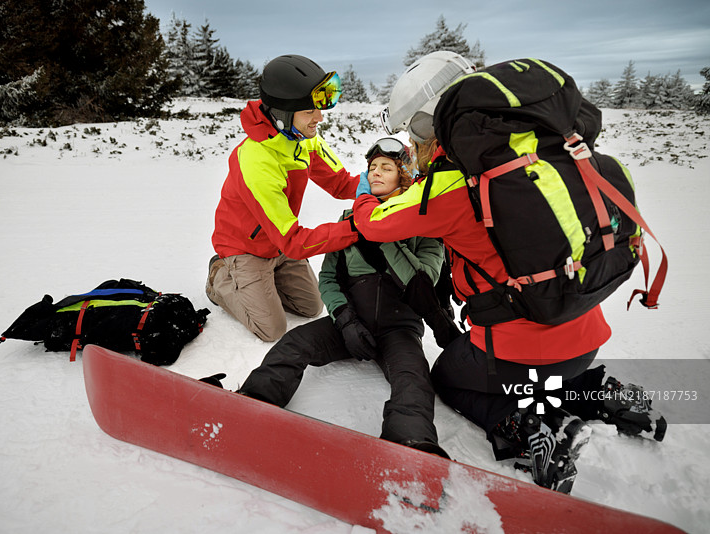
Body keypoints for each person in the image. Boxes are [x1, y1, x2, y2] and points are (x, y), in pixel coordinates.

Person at [351, 51, 666, 493]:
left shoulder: (454, 185)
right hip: (585, 330)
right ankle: (598, 390)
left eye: (412, 134)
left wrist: (364, 193)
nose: (411, 147)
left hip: (518, 351)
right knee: (545, 363)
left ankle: (539, 425)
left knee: (448, 378)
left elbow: (373, 224)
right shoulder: (545, 156)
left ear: (429, 126)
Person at [236, 138, 450, 458]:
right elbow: (328, 277)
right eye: (371, 167)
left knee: (414, 379)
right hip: (351, 321)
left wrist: (379, 224)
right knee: (294, 344)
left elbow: (424, 281)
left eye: (386, 168)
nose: (375, 173)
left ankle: (411, 444)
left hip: (399, 328)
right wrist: (345, 319)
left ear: (403, 176)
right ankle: (253, 401)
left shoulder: (423, 219)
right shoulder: (349, 218)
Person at [206, 54, 363, 342]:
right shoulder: (255, 161)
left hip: (278, 243)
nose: (319, 118)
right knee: (271, 329)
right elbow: (293, 240)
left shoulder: (303, 138)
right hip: (246, 248)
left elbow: (341, 183)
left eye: (317, 109)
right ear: (281, 116)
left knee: (311, 307)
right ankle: (220, 277)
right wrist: (355, 229)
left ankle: (264, 282)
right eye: (309, 112)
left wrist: (383, 183)